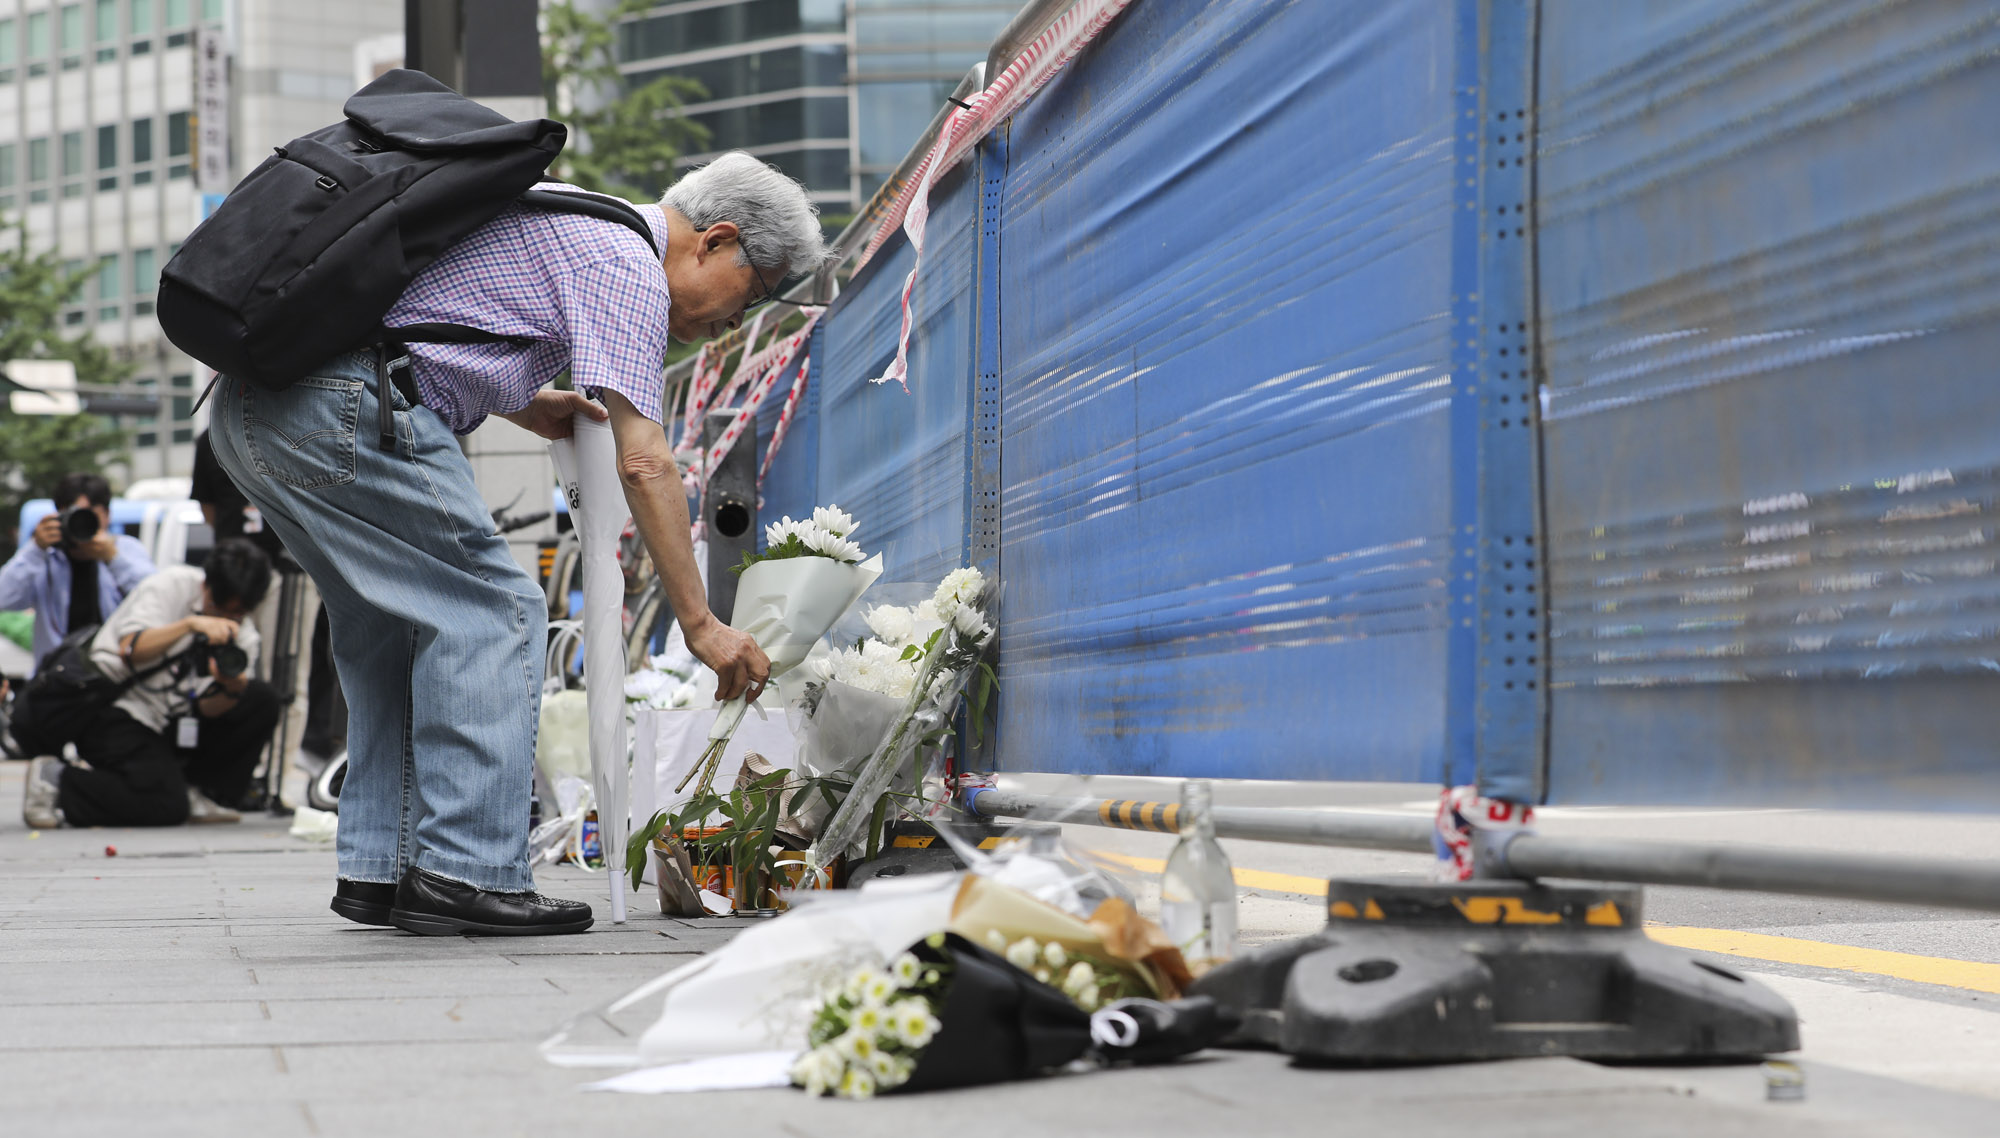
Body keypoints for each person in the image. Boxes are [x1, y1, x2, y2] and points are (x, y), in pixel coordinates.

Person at [204, 151, 823, 936]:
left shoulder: (576, 220)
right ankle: (464, 869)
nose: (729, 326)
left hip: (258, 408)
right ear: (717, 241)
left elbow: (434, 319)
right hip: (339, 407)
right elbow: (644, 457)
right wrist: (700, 623)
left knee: (394, 629)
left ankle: (383, 868)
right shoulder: (626, 260)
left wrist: (524, 403)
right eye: (750, 298)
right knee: (497, 611)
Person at [21, 538, 278, 829]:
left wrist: (230, 688)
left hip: (169, 718)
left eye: (238, 613)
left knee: (260, 698)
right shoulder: (172, 585)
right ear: (206, 584)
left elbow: (207, 710)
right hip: (114, 708)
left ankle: (199, 792)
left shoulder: (244, 636)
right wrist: (190, 626)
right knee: (165, 805)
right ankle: (57, 780)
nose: (226, 619)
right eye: (219, 607)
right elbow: (131, 650)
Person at [0, 473, 156, 672]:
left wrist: (113, 558)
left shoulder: (126, 550)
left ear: (107, 515)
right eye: (73, 515)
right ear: (58, 517)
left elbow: (154, 597)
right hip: (57, 678)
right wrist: (34, 550)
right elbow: (4, 599)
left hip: (114, 676)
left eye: (89, 515)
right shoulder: (45, 557)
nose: (80, 522)